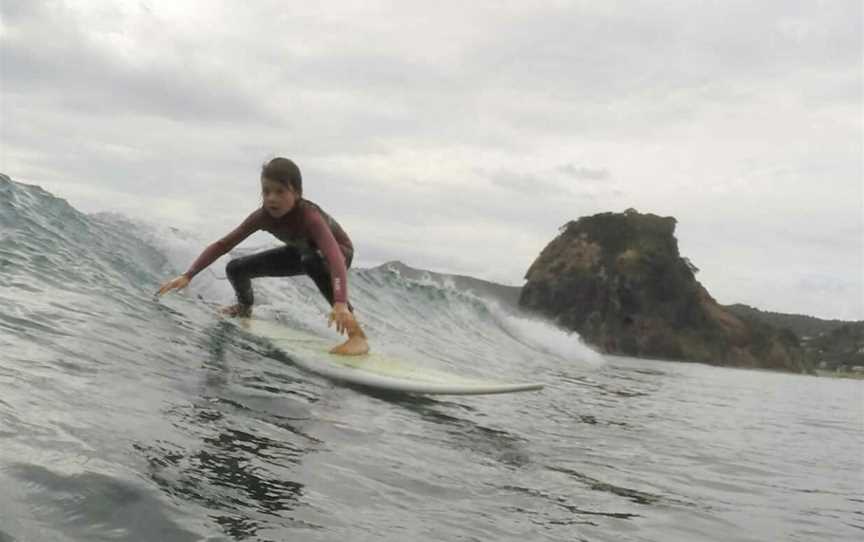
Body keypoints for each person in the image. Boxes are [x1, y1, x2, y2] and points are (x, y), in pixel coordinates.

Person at [156, 157, 369, 356]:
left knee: (311, 260)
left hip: (338, 254)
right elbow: (223, 244)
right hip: (303, 252)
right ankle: (244, 308)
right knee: (236, 268)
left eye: (280, 192)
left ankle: (357, 337)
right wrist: (188, 275)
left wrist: (340, 302)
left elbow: (334, 257)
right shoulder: (262, 217)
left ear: (297, 193)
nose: (271, 198)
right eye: (266, 191)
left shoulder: (310, 217)